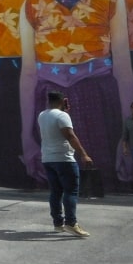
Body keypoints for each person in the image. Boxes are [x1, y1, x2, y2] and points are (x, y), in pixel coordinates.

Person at [18, 0, 133, 190]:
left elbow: (123, 69)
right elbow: (28, 72)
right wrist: (26, 136)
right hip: (49, 96)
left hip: (98, 96)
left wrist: (126, 134)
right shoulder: (32, 5)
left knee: (97, 173)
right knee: (59, 173)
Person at [38, 91, 93, 237]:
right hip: (64, 158)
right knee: (70, 191)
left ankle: (58, 223)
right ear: (63, 101)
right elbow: (70, 135)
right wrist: (84, 154)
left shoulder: (42, 115)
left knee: (55, 192)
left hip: (48, 159)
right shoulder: (62, 116)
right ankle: (71, 223)